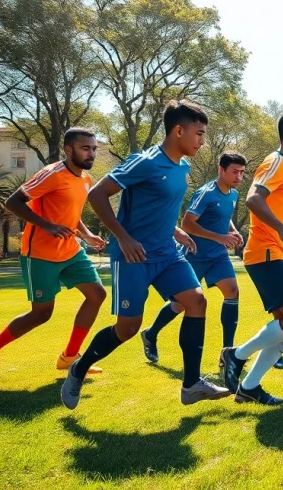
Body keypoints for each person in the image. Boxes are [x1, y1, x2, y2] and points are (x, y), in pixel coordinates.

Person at [61, 100, 229, 410]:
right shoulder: (146, 161)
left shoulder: (183, 167)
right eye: (199, 134)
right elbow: (96, 194)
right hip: (133, 256)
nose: (202, 141)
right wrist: (122, 238)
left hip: (167, 253)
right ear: (179, 131)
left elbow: (163, 203)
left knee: (196, 301)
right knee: (127, 328)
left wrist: (176, 230)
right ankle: (79, 368)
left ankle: (191, 384)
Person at [0, 128, 107, 385]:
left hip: (71, 251)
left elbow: (71, 212)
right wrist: (47, 225)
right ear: (69, 150)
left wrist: (87, 235)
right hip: (40, 255)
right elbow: (13, 202)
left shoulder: (86, 179)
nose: (91, 153)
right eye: (85, 148)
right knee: (41, 314)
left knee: (97, 295)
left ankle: (70, 357)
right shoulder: (51, 174)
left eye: (93, 148)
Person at [219, 110, 283, 405]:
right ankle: (235, 355)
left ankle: (249, 387)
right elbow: (253, 198)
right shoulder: (275, 162)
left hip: (282, 254)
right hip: (264, 251)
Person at [140, 152, 247, 362]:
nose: (239, 177)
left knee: (232, 292)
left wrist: (232, 231)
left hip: (218, 257)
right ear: (221, 170)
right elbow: (187, 224)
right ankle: (151, 333)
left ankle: (227, 353)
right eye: (235, 172)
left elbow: (223, 219)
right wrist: (219, 237)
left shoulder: (233, 195)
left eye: (242, 172)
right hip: (195, 255)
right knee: (182, 304)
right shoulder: (205, 193)